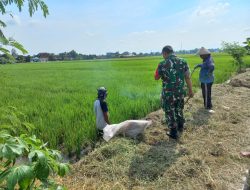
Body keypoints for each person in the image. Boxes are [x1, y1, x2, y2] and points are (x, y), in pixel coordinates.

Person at [155, 45, 194, 139]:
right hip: (180, 92)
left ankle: (173, 132)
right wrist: (190, 90)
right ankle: (180, 126)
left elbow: (156, 77)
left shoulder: (162, 63)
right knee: (179, 109)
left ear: (165, 53)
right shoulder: (183, 61)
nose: (163, 56)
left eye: (162, 54)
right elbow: (187, 77)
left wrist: (158, 69)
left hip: (168, 94)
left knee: (169, 111)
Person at [194, 47, 215, 111]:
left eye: (201, 55)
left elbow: (212, 66)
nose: (200, 56)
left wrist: (208, 73)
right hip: (206, 80)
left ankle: (207, 107)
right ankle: (209, 105)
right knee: (207, 93)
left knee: (206, 94)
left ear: (204, 54)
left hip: (206, 81)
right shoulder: (207, 59)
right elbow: (204, 65)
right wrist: (199, 65)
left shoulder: (208, 60)